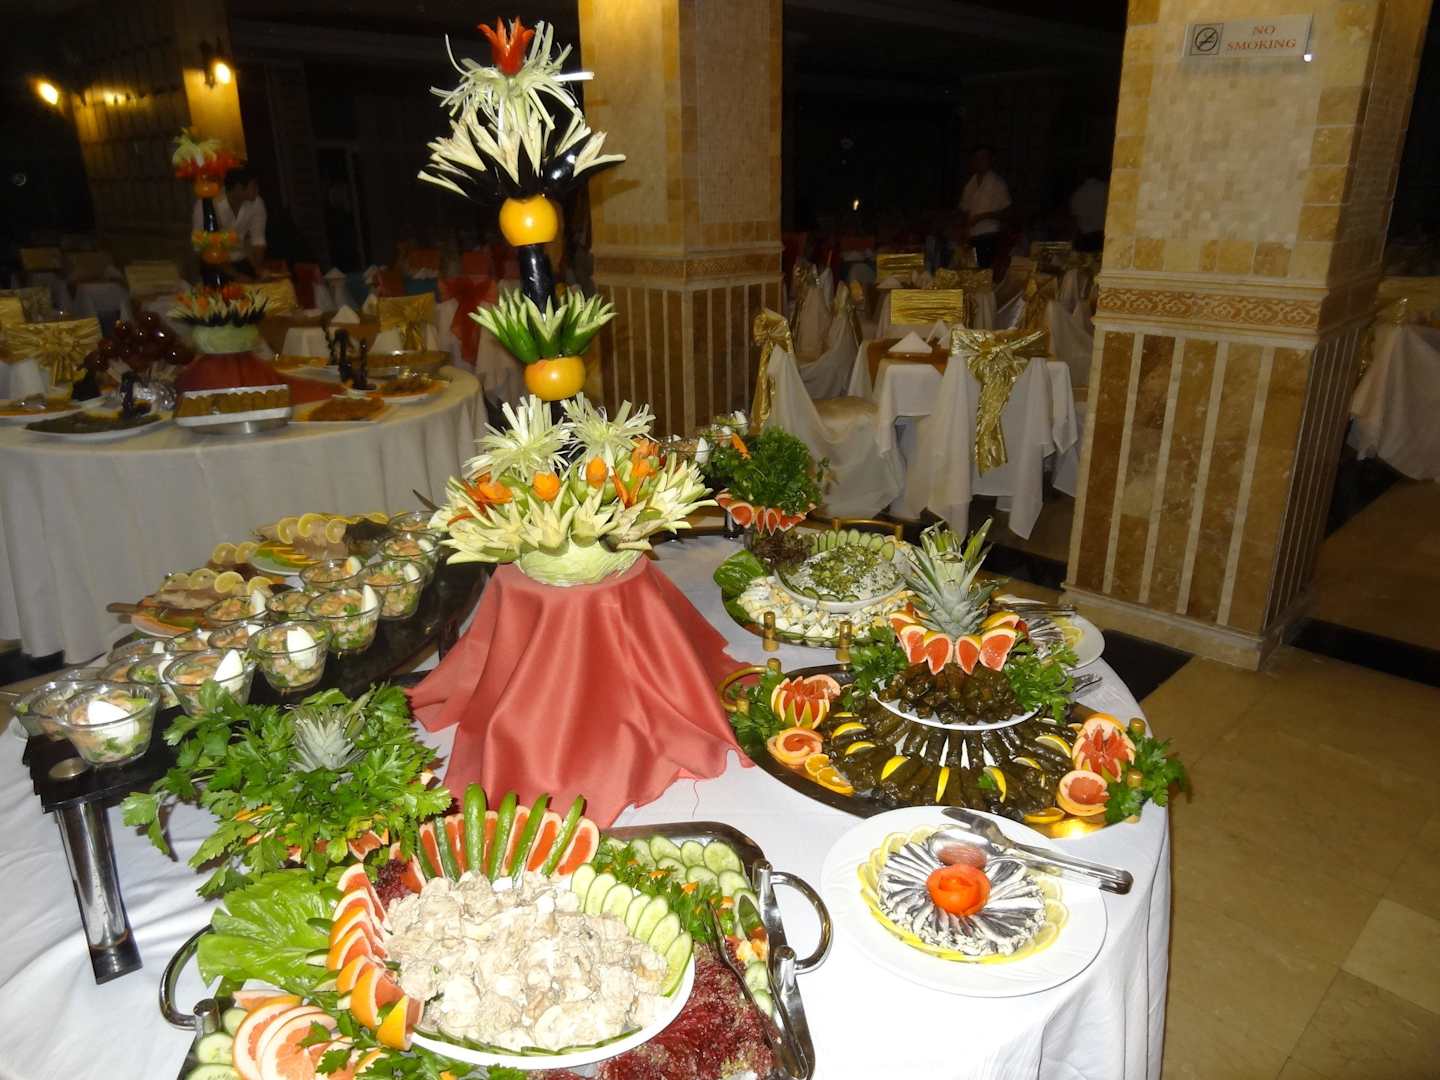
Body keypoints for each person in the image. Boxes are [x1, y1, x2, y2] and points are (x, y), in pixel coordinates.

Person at [191, 166, 267, 280]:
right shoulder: (207, 204)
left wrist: (258, 269)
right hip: (214, 264)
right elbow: (203, 247)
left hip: (242, 260)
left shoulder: (257, 202)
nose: (258, 190)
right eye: (254, 186)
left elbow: (258, 240)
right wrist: (235, 275)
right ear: (238, 187)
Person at [959, 145, 1011, 270]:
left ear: (990, 160)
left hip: (990, 236)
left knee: (985, 273)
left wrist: (983, 216)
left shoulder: (998, 183)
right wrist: (964, 230)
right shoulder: (970, 184)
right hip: (972, 237)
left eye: (983, 157)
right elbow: (965, 210)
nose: (980, 161)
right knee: (971, 273)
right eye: (977, 158)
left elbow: (1007, 214)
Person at [1070, 169, 1109, 253]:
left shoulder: (1078, 193)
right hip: (1103, 237)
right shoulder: (1106, 188)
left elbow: (1075, 217)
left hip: (1086, 239)